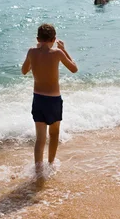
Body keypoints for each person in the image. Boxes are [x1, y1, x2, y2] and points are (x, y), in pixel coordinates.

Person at [21, 24, 78, 178]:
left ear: (37, 39)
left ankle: (38, 172)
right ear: (54, 39)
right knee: (54, 134)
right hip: (53, 100)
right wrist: (64, 49)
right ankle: (51, 164)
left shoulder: (32, 52)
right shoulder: (58, 53)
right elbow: (74, 69)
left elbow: (24, 71)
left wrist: (36, 60)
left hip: (38, 99)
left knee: (40, 138)